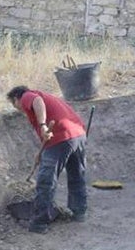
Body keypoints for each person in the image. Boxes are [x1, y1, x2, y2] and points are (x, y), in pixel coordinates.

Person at [7, 86, 87, 234]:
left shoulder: (27, 96)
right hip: (78, 135)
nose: (18, 109)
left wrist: (43, 125)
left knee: (46, 180)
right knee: (77, 175)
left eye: (14, 104)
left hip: (60, 137)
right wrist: (41, 153)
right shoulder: (49, 97)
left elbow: (37, 102)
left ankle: (39, 222)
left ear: (16, 99)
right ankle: (79, 212)